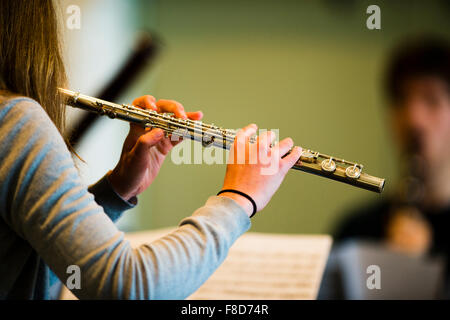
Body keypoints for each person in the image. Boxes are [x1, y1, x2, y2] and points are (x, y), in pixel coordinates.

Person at [0, 1, 302, 299]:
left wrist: (114, 192)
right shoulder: (13, 120)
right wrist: (239, 199)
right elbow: (130, 287)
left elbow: (37, 264)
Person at [331, 36, 450, 295]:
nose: (413, 119)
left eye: (431, 100)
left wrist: (422, 272)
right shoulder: (355, 229)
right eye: (400, 100)